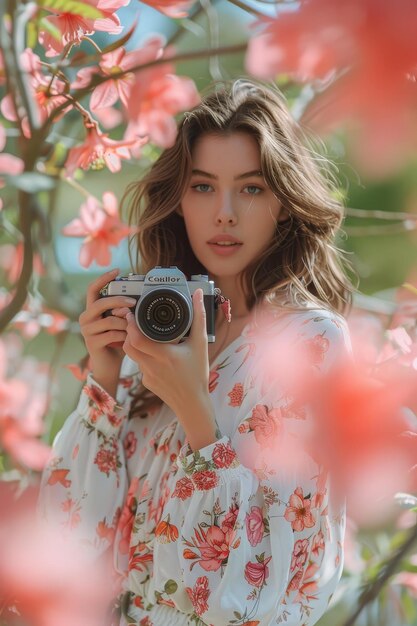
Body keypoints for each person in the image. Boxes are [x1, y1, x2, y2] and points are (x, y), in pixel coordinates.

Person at [38, 78, 354, 626]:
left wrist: (197, 417)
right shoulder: (157, 341)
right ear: (179, 201)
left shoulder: (309, 345)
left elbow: (252, 595)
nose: (224, 213)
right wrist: (105, 380)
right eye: (203, 187)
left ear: (283, 203)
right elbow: (67, 549)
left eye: (251, 188)